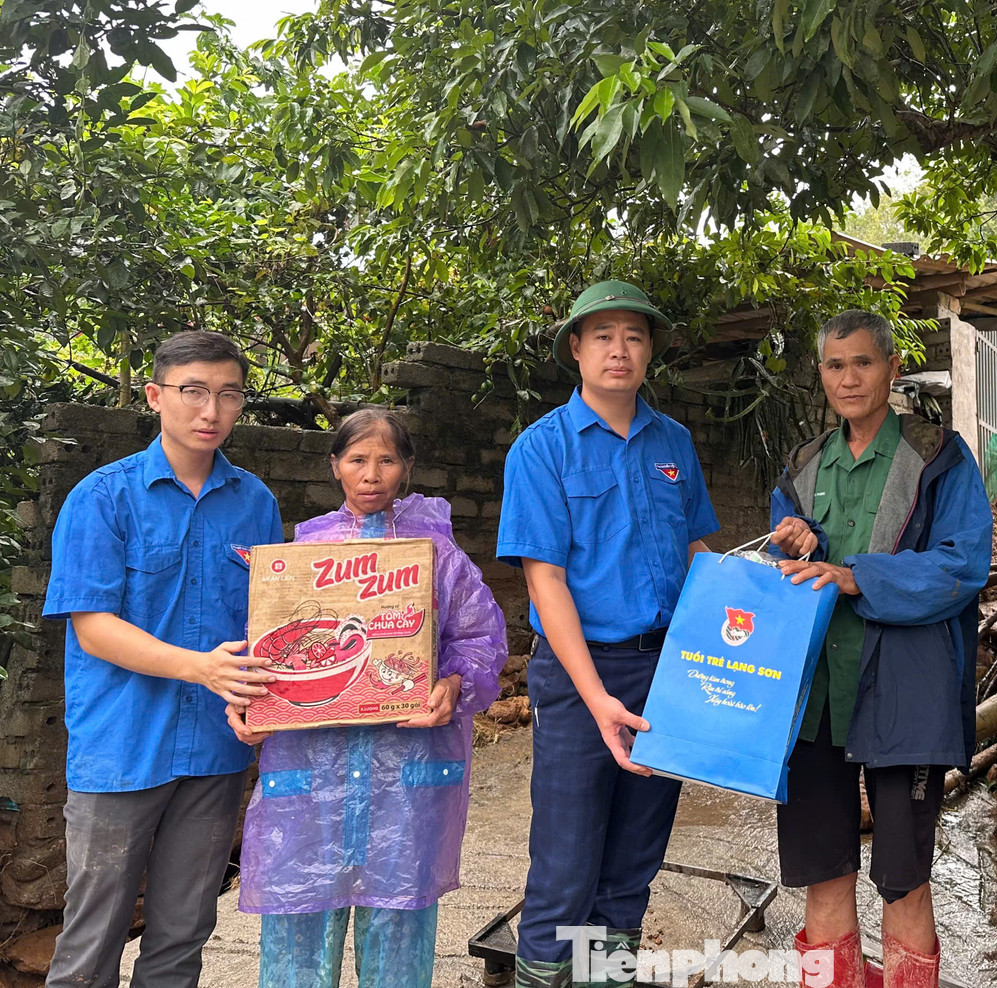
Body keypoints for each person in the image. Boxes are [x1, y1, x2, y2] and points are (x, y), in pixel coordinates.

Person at [227, 408, 508, 988]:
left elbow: (481, 641)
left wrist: (453, 686)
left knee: (399, 924)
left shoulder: (439, 558)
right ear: (335, 466)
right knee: (298, 925)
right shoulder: (297, 561)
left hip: (407, 779)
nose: (372, 473)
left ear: (406, 468)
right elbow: (265, 650)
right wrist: (250, 705)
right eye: (358, 459)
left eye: (387, 460)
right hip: (308, 782)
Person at [41, 331, 283, 988]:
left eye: (228, 394)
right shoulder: (102, 497)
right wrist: (199, 667)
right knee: (92, 938)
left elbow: (271, 627)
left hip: (216, 749)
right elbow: (93, 629)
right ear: (156, 396)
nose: (211, 410)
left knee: (181, 936)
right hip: (121, 749)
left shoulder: (256, 503)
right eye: (194, 392)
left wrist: (264, 706)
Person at [496, 280, 720, 987]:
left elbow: (695, 558)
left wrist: (763, 593)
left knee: (632, 864)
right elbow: (546, 581)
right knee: (565, 866)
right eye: (602, 336)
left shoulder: (674, 443)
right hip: (577, 680)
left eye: (633, 336)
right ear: (576, 349)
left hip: (665, 675)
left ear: (651, 349)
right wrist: (595, 698)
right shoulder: (542, 450)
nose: (618, 350)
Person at [767, 310, 993, 988]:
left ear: (892, 369)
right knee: (823, 875)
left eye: (863, 362)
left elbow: (962, 564)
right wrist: (796, 541)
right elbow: (783, 561)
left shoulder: (938, 457)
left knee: (903, 880)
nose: (848, 378)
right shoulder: (803, 466)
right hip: (815, 699)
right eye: (835, 366)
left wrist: (855, 575)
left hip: (904, 693)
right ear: (821, 375)